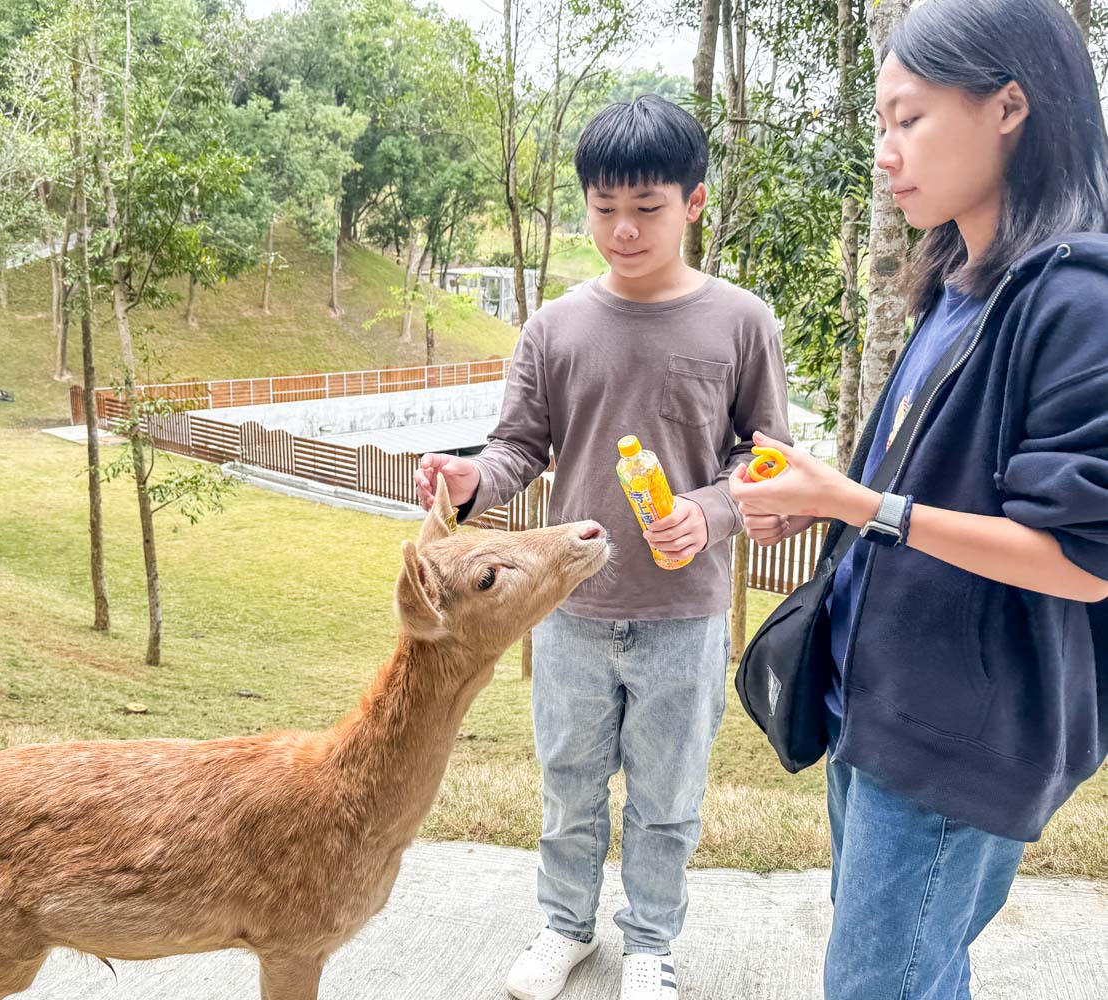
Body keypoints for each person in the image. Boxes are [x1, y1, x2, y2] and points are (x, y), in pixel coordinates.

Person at [731, 2, 1108, 997]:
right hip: (875, 696)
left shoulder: (1076, 303)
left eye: (908, 119)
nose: (885, 155)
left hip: (960, 728)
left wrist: (857, 505)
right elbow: (915, 488)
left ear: (1008, 107)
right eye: (879, 126)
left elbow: (1078, 556)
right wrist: (819, 497)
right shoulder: (958, 281)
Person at [415, 94, 790, 1000]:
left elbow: (767, 462)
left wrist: (711, 511)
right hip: (567, 612)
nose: (622, 231)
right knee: (568, 788)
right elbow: (518, 449)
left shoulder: (742, 323)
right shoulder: (553, 327)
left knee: (666, 804)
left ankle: (651, 946)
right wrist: (472, 481)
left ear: (693, 202)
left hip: (684, 613)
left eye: (647, 209)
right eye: (603, 209)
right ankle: (563, 931)